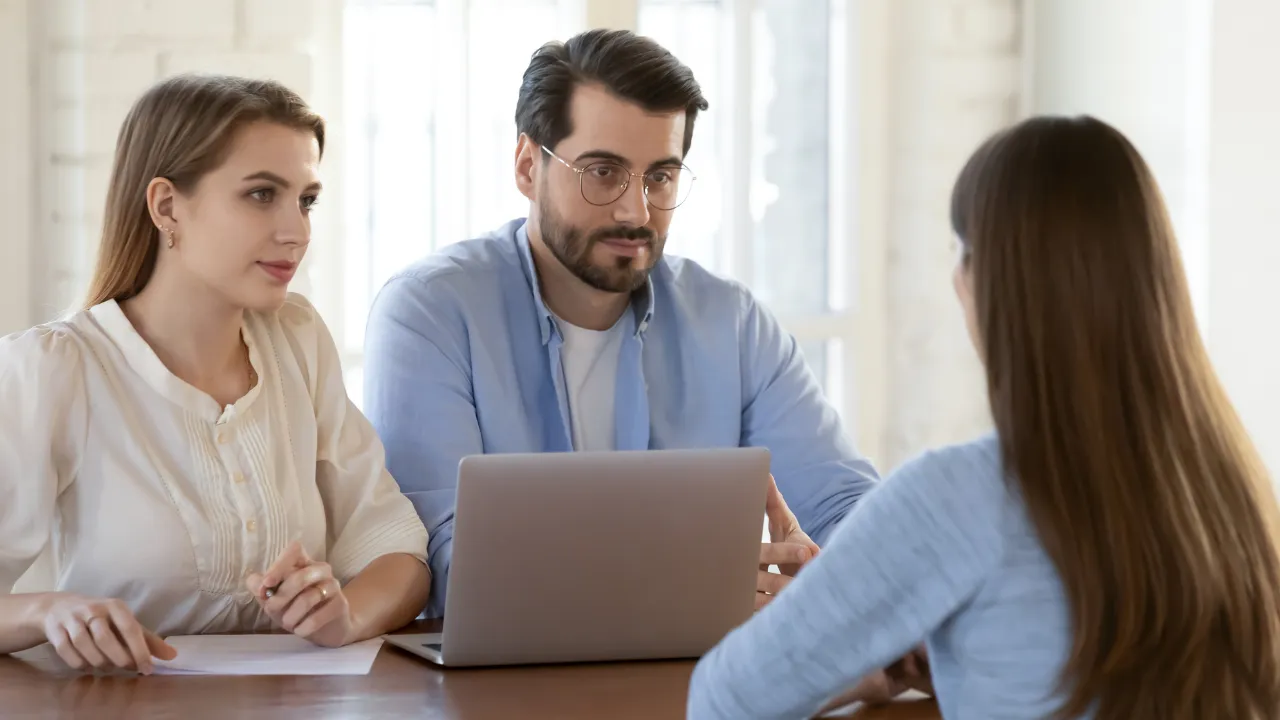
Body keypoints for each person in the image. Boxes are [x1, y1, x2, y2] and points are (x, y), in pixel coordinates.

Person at [685, 115, 1280, 719]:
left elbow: (722, 700)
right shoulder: (1233, 492)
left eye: (961, 252)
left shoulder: (960, 496)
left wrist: (817, 613)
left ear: (991, 282)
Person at [363, 28, 878, 620]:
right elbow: (444, 567)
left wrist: (848, 584)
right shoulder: (429, 313)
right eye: (602, 172)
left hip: (695, 681)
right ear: (528, 166)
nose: (636, 211)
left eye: (660, 176)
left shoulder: (730, 323)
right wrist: (694, 583)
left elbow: (845, 506)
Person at [0, 74, 432, 674]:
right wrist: (46, 611)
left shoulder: (298, 341)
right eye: (261, 194)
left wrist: (347, 616)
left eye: (306, 200)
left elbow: (396, 547)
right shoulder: (53, 370)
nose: (297, 231)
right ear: (167, 206)